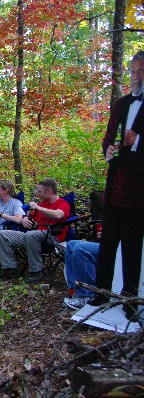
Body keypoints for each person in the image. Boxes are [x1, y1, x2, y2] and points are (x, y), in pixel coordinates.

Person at [92, 50, 144, 321]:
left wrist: (136, 141)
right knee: (107, 243)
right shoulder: (121, 103)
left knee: (133, 247)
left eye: (141, 71)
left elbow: (135, 140)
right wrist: (107, 152)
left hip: (138, 192)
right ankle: (100, 292)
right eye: (133, 71)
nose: (136, 76)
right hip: (114, 187)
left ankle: (130, 298)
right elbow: (108, 137)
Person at [0, 178, 70, 283]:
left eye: (40, 191)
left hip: (52, 236)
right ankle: (10, 270)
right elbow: (28, 217)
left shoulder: (63, 203)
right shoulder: (42, 204)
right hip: (33, 237)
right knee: (2, 234)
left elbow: (58, 215)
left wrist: (39, 208)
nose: (38, 194)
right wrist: (25, 219)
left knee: (31, 235)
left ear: (48, 191)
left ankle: (36, 271)